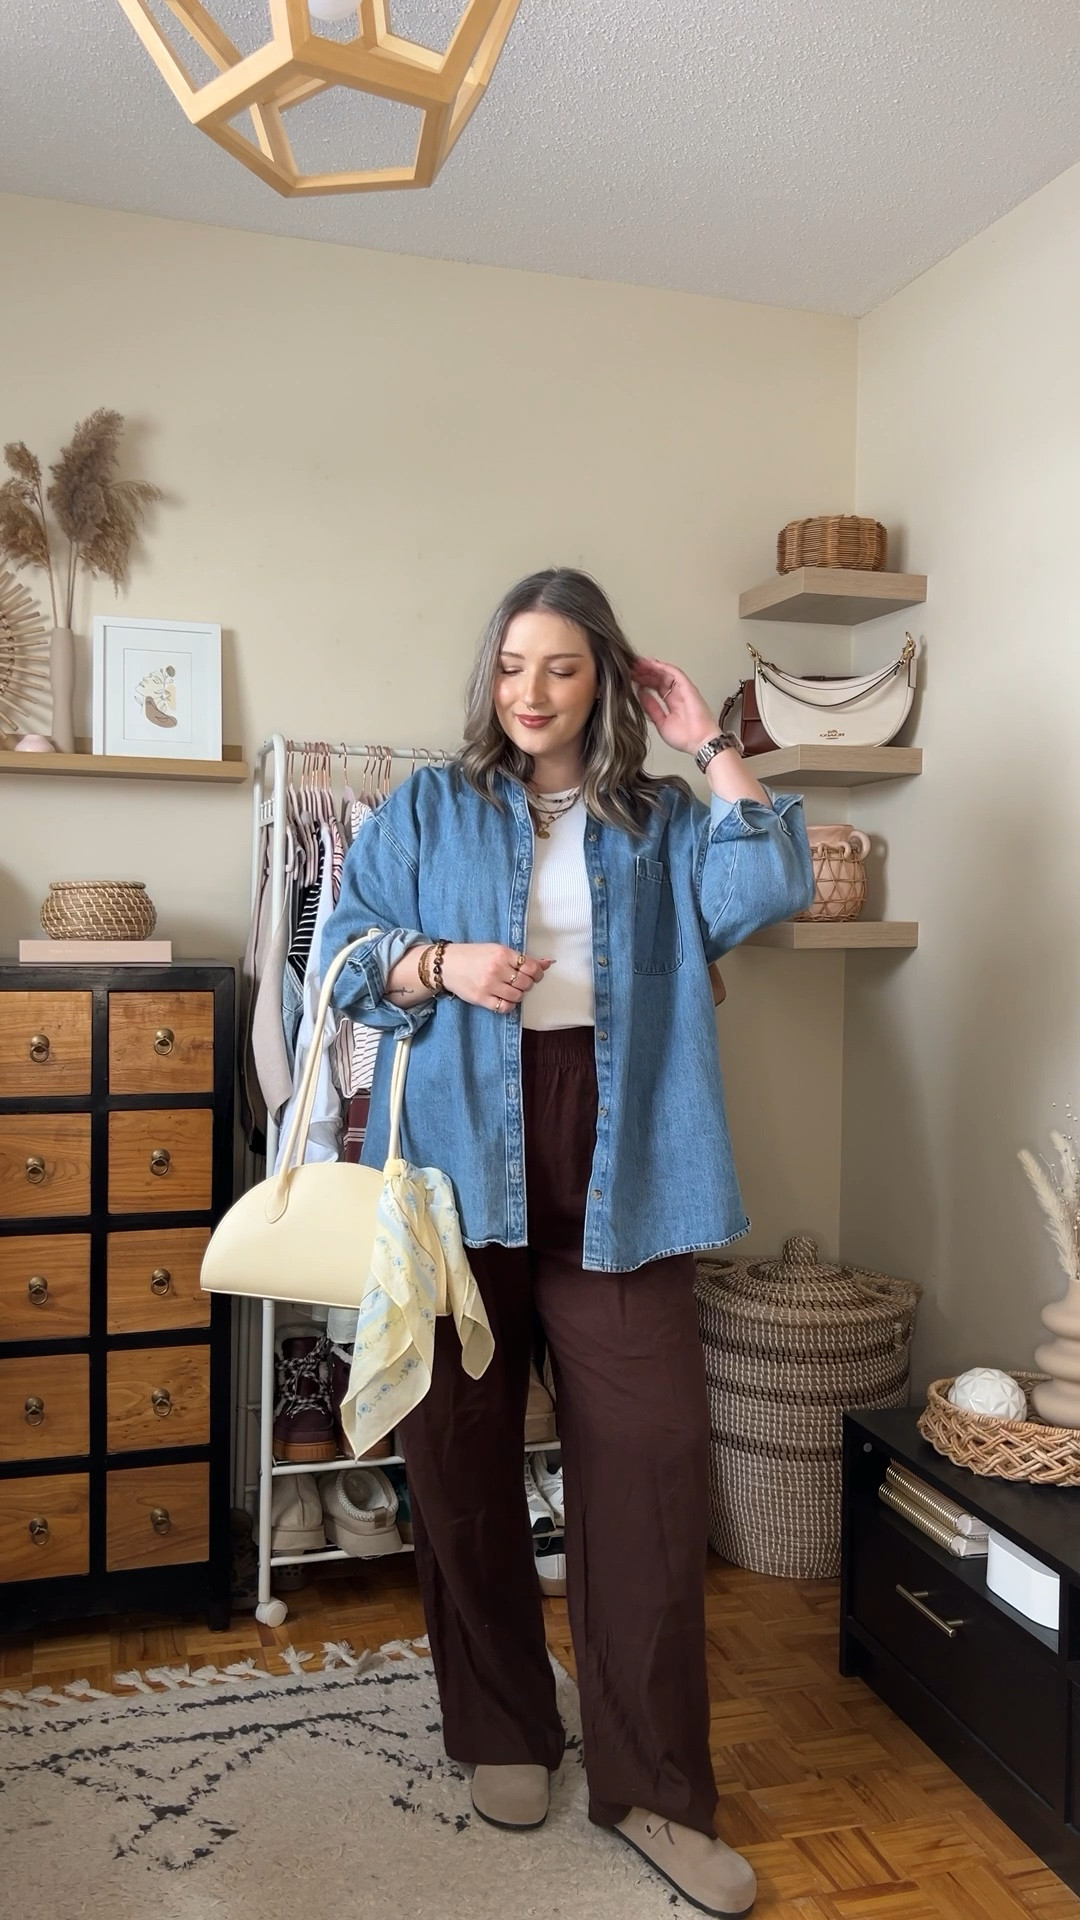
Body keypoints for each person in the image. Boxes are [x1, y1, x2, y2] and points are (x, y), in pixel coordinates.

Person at [322, 568, 813, 1918]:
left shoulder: (657, 820)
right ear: (490, 679)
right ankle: (501, 1726)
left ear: (603, 682)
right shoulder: (427, 808)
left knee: (649, 1469)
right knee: (460, 1460)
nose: (530, 693)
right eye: (511, 667)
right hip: (455, 1164)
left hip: (626, 1157)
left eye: (562, 669)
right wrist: (440, 965)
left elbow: (768, 887)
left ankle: (655, 1785)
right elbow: (341, 955)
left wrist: (710, 739)